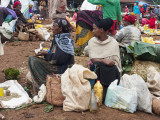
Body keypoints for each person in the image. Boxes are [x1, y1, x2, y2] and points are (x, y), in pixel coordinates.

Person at [28, 18, 74, 91]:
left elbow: (58, 60)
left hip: (63, 69)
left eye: (54, 26)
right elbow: (55, 54)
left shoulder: (64, 41)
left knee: (33, 61)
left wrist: (46, 54)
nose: (52, 28)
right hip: (58, 66)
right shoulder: (58, 38)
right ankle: (42, 87)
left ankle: (43, 87)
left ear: (60, 29)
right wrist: (47, 53)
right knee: (31, 60)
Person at [88, 18, 121, 103]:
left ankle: (107, 93)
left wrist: (109, 62)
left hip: (110, 68)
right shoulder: (92, 42)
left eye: (95, 29)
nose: (93, 31)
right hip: (97, 67)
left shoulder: (113, 42)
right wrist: (103, 60)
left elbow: (115, 61)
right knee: (96, 65)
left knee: (113, 69)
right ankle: (96, 93)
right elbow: (93, 58)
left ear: (102, 30)